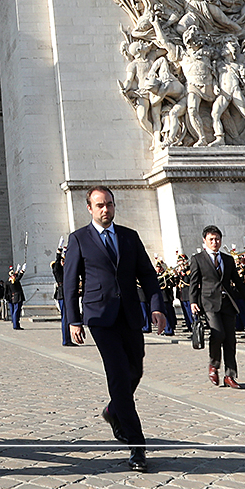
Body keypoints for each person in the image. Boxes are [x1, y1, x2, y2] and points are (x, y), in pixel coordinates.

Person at [63, 186, 167, 473]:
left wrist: (157, 306)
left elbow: (147, 274)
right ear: (89, 208)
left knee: (135, 370)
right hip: (100, 317)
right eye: (99, 205)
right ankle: (137, 444)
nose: (105, 209)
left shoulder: (129, 236)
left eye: (109, 204)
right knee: (119, 374)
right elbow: (70, 282)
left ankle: (112, 410)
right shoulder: (79, 239)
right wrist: (73, 319)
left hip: (131, 314)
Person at [189, 226, 245, 388]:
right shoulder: (198, 259)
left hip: (228, 303)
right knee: (218, 334)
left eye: (217, 239)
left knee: (231, 340)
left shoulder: (227, 259)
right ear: (204, 241)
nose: (214, 242)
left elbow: (238, 282)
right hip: (209, 303)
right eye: (211, 239)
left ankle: (230, 375)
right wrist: (193, 302)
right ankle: (214, 365)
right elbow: (194, 283)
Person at [7, 265, 26, 330]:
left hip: (15, 297)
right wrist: (22, 271)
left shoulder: (10, 280)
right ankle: (15, 325)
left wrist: (17, 270)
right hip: (18, 297)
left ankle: (17, 324)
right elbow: (18, 277)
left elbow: (15, 275)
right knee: (16, 311)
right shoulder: (14, 281)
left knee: (16, 311)